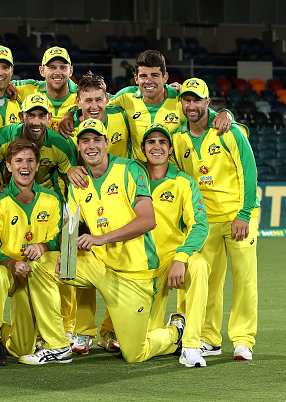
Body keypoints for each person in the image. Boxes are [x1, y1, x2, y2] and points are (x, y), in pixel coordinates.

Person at [20, 119, 184, 365]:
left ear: (107, 143)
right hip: (98, 266)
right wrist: (66, 252)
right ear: (79, 146)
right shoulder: (77, 182)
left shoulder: (131, 170)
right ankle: (57, 345)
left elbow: (147, 220)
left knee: (134, 354)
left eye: (97, 139)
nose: (91, 145)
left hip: (134, 274)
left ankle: (175, 333)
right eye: (85, 141)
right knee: (40, 265)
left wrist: (99, 239)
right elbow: (72, 226)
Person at [82, 123, 211, 366]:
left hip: (172, 260)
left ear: (171, 149)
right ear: (142, 149)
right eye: (151, 142)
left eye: (163, 142)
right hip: (141, 267)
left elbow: (200, 225)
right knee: (139, 344)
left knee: (200, 266)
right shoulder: (130, 174)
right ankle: (176, 333)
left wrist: (181, 258)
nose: (157, 147)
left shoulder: (184, 182)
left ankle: (192, 345)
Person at [172, 78, 259, 361]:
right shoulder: (177, 138)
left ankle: (243, 339)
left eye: (197, 99)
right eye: (187, 100)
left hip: (239, 216)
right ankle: (210, 338)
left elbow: (249, 171)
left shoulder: (230, 131)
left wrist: (243, 214)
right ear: (181, 103)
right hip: (206, 220)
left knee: (244, 279)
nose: (191, 105)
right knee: (207, 280)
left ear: (208, 103)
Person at [59, 50, 232, 162]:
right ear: (136, 79)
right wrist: (70, 114)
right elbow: (93, 102)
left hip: (171, 181)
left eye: (155, 75)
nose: (148, 81)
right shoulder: (125, 97)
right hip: (136, 180)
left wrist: (225, 113)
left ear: (165, 78)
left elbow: (205, 113)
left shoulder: (181, 100)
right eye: (143, 76)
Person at [0, 138, 63, 366]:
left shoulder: (52, 199)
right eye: (18, 161)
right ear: (8, 166)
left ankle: (1, 330)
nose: (24, 166)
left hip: (33, 275)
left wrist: (44, 246)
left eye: (30, 160)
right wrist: (10, 263)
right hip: (7, 271)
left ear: (38, 165)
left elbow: (58, 238)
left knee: (22, 348)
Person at [0, 93, 77, 198]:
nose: (36, 122)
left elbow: (70, 179)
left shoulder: (60, 145)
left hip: (46, 198)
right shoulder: (3, 138)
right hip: (9, 194)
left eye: (42, 116)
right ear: (21, 117)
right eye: (31, 115)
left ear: (49, 118)